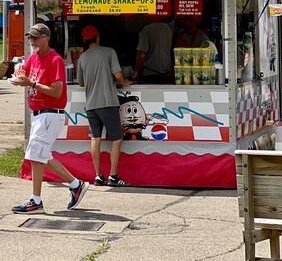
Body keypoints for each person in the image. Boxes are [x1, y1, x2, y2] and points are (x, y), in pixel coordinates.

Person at [10, 23, 89, 214]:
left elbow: (57, 91)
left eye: (36, 37)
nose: (33, 41)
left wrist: (32, 84)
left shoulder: (54, 60)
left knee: (37, 154)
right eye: (31, 38)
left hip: (50, 114)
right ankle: (75, 184)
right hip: (39, 114)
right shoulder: (34, 58)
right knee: (40, 155)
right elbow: (23, 75)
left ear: (46, 38)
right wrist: (18, 74)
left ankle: (37, 200)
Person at [77, 25, 131, 187]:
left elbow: (81, 83)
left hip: (91, 104)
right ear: (98, 37)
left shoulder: (83, 58)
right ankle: (113, 176)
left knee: (95, 137)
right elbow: (118, 74)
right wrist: (124, 82)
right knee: (117, 138)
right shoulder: (109, 52)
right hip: (108, 102)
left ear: (85, 40)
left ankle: (98, 176)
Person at [134, 17, 173, 84]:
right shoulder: (168, 28)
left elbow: (141, 54)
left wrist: (136, 72)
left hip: (150, 73)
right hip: (166, 73)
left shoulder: (146, 29)